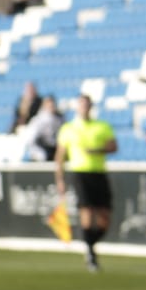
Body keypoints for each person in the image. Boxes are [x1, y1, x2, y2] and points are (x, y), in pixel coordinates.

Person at [55, 94, 116, 273]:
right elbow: (60, 156)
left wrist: (98, 150)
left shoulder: (102, 126)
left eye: (87, 105)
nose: (84, 108)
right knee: (87, 212)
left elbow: (113, 146)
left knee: (105, 218)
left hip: (99, 172)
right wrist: (59, 179)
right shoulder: (68, 128)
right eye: (81, 105)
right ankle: (90, 253)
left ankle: (89, 244)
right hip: (80, 173)